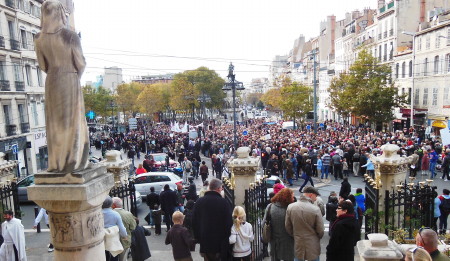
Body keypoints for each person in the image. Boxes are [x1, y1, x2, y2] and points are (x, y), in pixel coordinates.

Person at [35, 0, 89, 173]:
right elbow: (80, 63)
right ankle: (73, 160)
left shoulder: (39, 38)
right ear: (60, 13)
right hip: (69, 79)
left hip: (51, 81)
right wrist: (75, 77)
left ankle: (57, 163)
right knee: (72, 121)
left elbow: (43, 66)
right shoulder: (69, 35)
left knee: (55, 123)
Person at [193, 178, 233, 261]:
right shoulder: (224, 203)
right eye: (222, 188)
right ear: (218, 188)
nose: (222, 189)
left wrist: (198, 238)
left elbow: (194, 222)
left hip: (205, 242)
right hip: (220, 244)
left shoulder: (199, 202)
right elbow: (228, 224)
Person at [285, 186, 324, 261]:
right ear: (311, 195)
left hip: (298, 242)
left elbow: (288, 227)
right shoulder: (315, 209)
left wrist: (295, 235)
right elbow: (320, 230)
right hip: (313, 243)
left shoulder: (291, 207)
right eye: (315, 196)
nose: (316, 199)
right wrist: (316, 237)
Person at [262, 188, 295, 261]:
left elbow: (263, 223)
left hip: (274, 241)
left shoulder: (270, 207)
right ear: (287, 198)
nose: (293, 199)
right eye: (292, 197)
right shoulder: (291, 209)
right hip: (288, 241)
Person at [102, 196, 128, 261]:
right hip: (113, 239)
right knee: (114, 256)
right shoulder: (115, 214)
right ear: (111, 204)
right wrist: (124, 236)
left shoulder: (98, 214)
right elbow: (122, 228)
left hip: (102, 239)